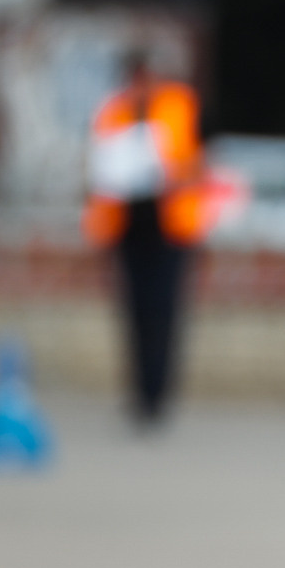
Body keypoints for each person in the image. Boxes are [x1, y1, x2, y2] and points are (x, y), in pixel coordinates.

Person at [83, 49, 205, 426]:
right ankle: (139, 394)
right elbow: (100, 168)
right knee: (135, 313)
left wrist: (171, 172)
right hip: (128, 228)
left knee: (164, 312)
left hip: (171, 228)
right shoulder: (113, 112)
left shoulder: (179, 105)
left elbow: (192, 160)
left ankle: (158, 395)